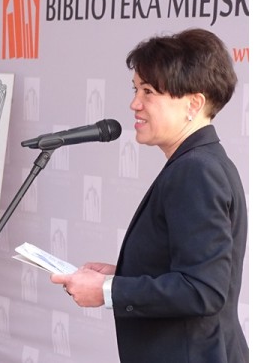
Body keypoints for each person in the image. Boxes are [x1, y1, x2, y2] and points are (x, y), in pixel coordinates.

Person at [50, 28, 248, 363]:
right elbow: (189, 269)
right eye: (136, 89)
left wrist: (107, 291)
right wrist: (123, 274)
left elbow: (203, 290)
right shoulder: (200, 162)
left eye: (149, 91)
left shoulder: (196, 170)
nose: (134, 104)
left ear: (193, 104)